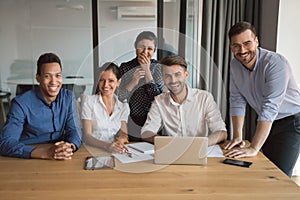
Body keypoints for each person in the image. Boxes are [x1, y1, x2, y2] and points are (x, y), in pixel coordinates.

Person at [223, 21, 300, 177]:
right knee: (260, 171)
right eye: (236, 46)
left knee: (279, 175)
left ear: (256, 41)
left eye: (247, 43)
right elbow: (237, 100)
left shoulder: (275, 63)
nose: (242, 50)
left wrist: (254, 147)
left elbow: (269, 108)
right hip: (265, 123)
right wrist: (238, 136)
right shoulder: (234, 65)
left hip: (290, 123)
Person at [0, 53, 82, 160]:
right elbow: (5, 142)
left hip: (58, 155)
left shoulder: (67, 97)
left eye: (58, 75)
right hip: (29, 156)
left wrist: (70, 146)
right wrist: (44, 153)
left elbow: (74, 130)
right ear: (38, 78)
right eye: (47, 76)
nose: (54, 81)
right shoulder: (21, 103)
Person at [141, 55, 227, 146]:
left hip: (199, 152)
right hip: (171, 152)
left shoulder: (205, 97)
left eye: (177, 74)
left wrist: (201, 144)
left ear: (186, 75)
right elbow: (146, 132)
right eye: (168, 76)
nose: (173, 80)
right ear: (163, 78)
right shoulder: (159, 101)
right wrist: (168, 142)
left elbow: (221, 132)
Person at [118, 31, 164, 141]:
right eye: (141, 47)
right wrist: (133, 81)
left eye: (149, 49)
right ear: (135, 47)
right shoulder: (125, 67)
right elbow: (119, 97)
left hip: (154, 121)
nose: (145, 52)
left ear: (154, 51)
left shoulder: (158, 67)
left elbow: (158, 97)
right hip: (131, 120)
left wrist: (147, 71)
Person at [81, 62, 130, 153]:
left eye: (110, 81)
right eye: (102, 80)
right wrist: (107, 146)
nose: (105, 85)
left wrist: (120, 142)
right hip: (90, 150)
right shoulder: (88, 102)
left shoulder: (123, 107)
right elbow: (86, 136)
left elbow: (124, 133)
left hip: (112, 150)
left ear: (118, 82)